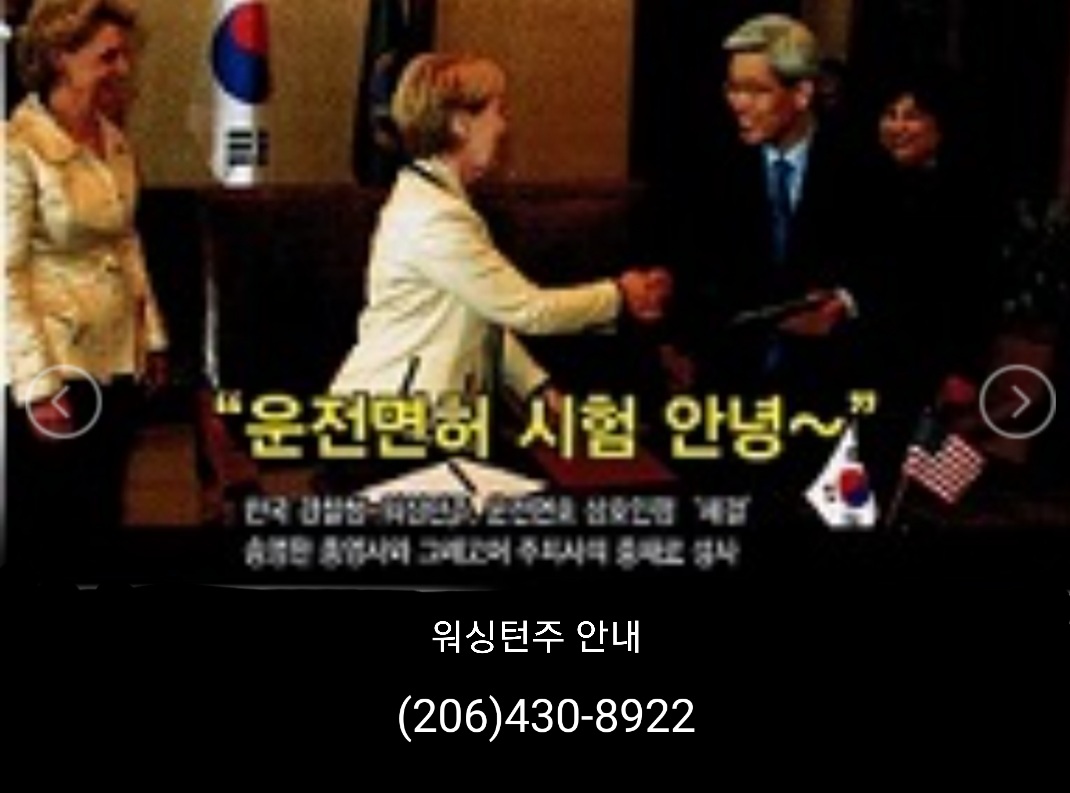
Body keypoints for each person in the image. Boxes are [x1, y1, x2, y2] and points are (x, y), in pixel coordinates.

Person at [328, 52, 669, 462]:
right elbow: (528, 310)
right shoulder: (434, 218)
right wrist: (621, 295)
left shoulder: (435, 199)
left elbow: (482, 318)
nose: (504, 126)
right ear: (460, 123)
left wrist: (537, 388)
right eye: (497, 111)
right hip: (387, 433)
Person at [645, 14, 870, 517]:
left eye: (756, 90)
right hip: (727, 389)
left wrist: (844, 304)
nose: (738, 103)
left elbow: (895, 268)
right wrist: (673, 342)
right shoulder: (704, 161)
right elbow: (679, 262)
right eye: (732, 88)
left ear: (802, 93)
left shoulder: (862, 163)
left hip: (829, 395)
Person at [4, 0, 168, 562]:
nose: (124, 68)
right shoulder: (16, 149)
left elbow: (126, 241)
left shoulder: (111, 138)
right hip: (55, 361)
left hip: (115, 355)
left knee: (102, 515)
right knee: (48, 524)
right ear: (60, 58)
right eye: (108, 57)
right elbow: (4, 276)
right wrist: (39, 387)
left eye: (124, 55)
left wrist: (153, 337)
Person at [857, 65, 1006, 503]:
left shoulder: (968, 194)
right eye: (890, 114)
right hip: (867, 352)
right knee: (857, 473)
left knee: (909, 479)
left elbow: (979, 288)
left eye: (912, 116)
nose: (897, 126)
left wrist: (965, 367)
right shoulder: (866, 185)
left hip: (929, 358)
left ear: (940, 127)